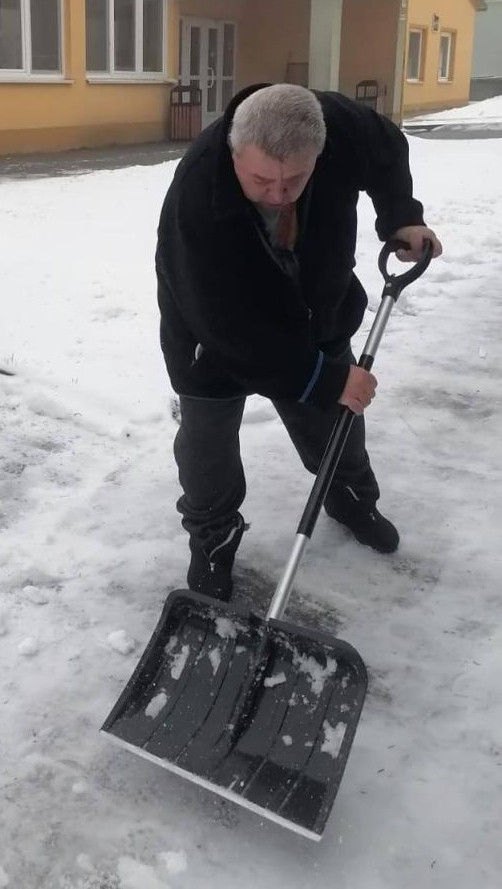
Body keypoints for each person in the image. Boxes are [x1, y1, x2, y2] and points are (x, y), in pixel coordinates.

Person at [155, 82, 442, 601]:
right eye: (262, 180)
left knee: (338, 427)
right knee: (207, 452)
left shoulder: (337, 126)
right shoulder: (197, 197)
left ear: (321, 150)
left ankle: (350, 497)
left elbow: (384, 147)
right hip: (211, 337)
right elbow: (225, 326)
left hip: (317, 310)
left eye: (296, 180)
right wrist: (322, 378)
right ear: (234, 152)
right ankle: (213, 538)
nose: (278, 195)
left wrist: (401, 214)